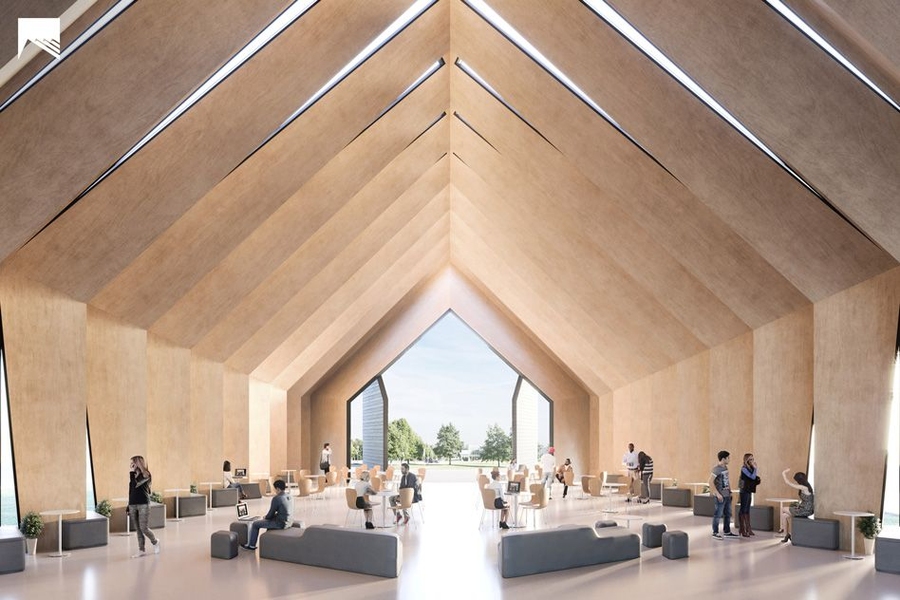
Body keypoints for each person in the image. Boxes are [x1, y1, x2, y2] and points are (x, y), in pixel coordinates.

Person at [241, 479, 293, 550]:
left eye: (275, 489)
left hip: (281, 524)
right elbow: (284, 511)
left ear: (277, 488)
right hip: (290, 522)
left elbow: (270, 514)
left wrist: (265, 517)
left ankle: (251, 545)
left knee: (255, 524)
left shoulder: (277, 498)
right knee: (267, 521)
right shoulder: (290, 496)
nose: (275, 491)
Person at [128, 455, 160, 557]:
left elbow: (137, 484)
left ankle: (155, 542)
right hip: (133, 504)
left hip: (143, 504)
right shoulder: (134, 475)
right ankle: (141, 550)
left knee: (143, 528)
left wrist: (132, 473)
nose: (132, 464)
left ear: (139, 462)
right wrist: (128, 506)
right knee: (138, 529)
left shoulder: (146, 475)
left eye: (134, 462)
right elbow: (131, 491)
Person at [707, 450, 739, 539]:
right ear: (723, 458)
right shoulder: (716, 469)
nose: (729, 459)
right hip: (720, 496)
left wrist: (730, 491)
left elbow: (727, 480)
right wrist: (718, 494)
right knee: (718, 514)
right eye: (728, 458)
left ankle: (727, 532)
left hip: (727, 495)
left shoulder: (725, 468)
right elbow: (710, 482)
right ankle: (715, 533)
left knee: (728, 514)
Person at [779, 468, 814, 544]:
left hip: (805, 510)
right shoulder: (806, 486)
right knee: (784, 515)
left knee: (783, 509)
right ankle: (787, 535)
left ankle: (785, 532)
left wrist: (783, 474)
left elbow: (789, 483)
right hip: (803, 508)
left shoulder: (804, 487)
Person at [738, 453, 761, 537]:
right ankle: (742, 529)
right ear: (746, 460)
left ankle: (748, 528)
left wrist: (754, 469)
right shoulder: (744, 468)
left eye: (753, 459)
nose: (752, 461)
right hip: (744, 490)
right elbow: (752, 477)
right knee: (743, 509)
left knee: (747, 509)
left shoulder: (750, 468)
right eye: (750, 459)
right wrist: (755, 469)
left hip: (748, 490)